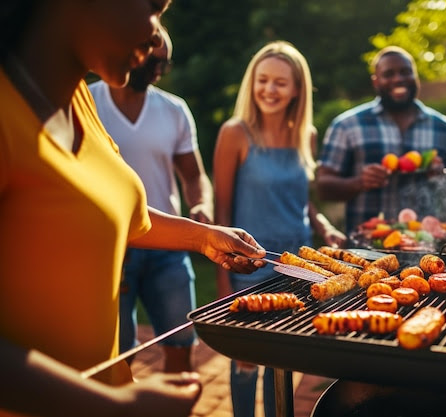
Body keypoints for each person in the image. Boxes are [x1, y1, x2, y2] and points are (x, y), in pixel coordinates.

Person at [0, 1, 266, 416]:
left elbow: (122, 217)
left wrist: (202, 237)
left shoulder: (79, 105)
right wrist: (110, 405)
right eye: (152, 7)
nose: (158, 36)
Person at [213, 40, 346, 417]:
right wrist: (223, 284)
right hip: (248, 268)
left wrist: (323, 226)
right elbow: (221, 214)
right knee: (245, 365)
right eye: (262, 80)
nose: (269, 90)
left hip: (297, 269)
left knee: (282, 365)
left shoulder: (307, 135)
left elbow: (304, 201)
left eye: (280, 83)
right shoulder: (235, 133)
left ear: (297, 90)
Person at [89, 29, 212, 373]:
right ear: (130, 51)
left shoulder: (174, 110)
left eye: (166, 63)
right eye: (154, 60)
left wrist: (201, 204)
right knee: (117, 356)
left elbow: (194, 175)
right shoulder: (87, 102)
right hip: (113, 249)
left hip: (168, 249)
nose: (160, 69)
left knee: (180, 345)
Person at [316, 45, 446, 236]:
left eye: (405, 72)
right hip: (366, 251)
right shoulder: (347, 125)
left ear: (416, 77)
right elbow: (323, 188)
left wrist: (440, 177)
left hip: (427, 249)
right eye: (389, 74)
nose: (398, 79)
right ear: (376, 82)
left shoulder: (445, 129)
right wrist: (360, 182)